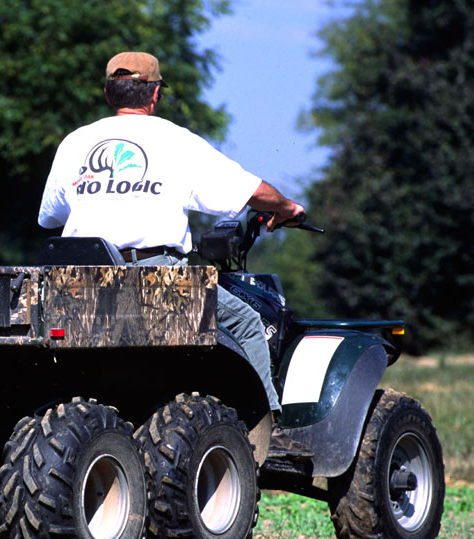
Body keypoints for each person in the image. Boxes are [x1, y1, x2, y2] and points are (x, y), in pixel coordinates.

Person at [38, 51, 306, 426]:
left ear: (108, 94)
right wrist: (286, 207)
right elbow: (250, 190)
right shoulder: (176, 141)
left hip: (78, 283)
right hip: (154, 278)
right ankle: (270, 429)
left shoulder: (75, 142)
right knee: (245, 321)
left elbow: (49, 216)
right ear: (155, 94)